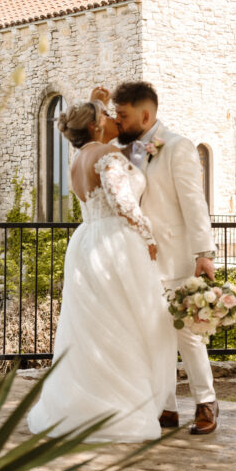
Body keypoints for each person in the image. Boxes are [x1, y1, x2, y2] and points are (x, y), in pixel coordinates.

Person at [26, 100, 176, 443]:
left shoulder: (78, 159)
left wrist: (97, 96)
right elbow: (122, 201)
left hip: (86, 241)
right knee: (125, 324)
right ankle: (120, 408)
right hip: (115, 243)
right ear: (95, 126)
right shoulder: (107, 157)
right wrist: (148, 236)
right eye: (106, 115)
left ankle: (83, 404)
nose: (112, 117)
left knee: (92, 326)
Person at [93, 81, 219, 435]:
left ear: (145, 115)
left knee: (187, 335)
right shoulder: (125, 149)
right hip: (139, 260)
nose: (117, 121)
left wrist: (203, 253)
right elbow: (84, 131)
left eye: (123, 114)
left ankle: (206, 403)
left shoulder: (178, 147)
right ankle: (166, 407)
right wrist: (96, 103)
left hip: (176, 256)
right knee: (151, 333)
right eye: (115, 114)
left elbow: (195, 203)